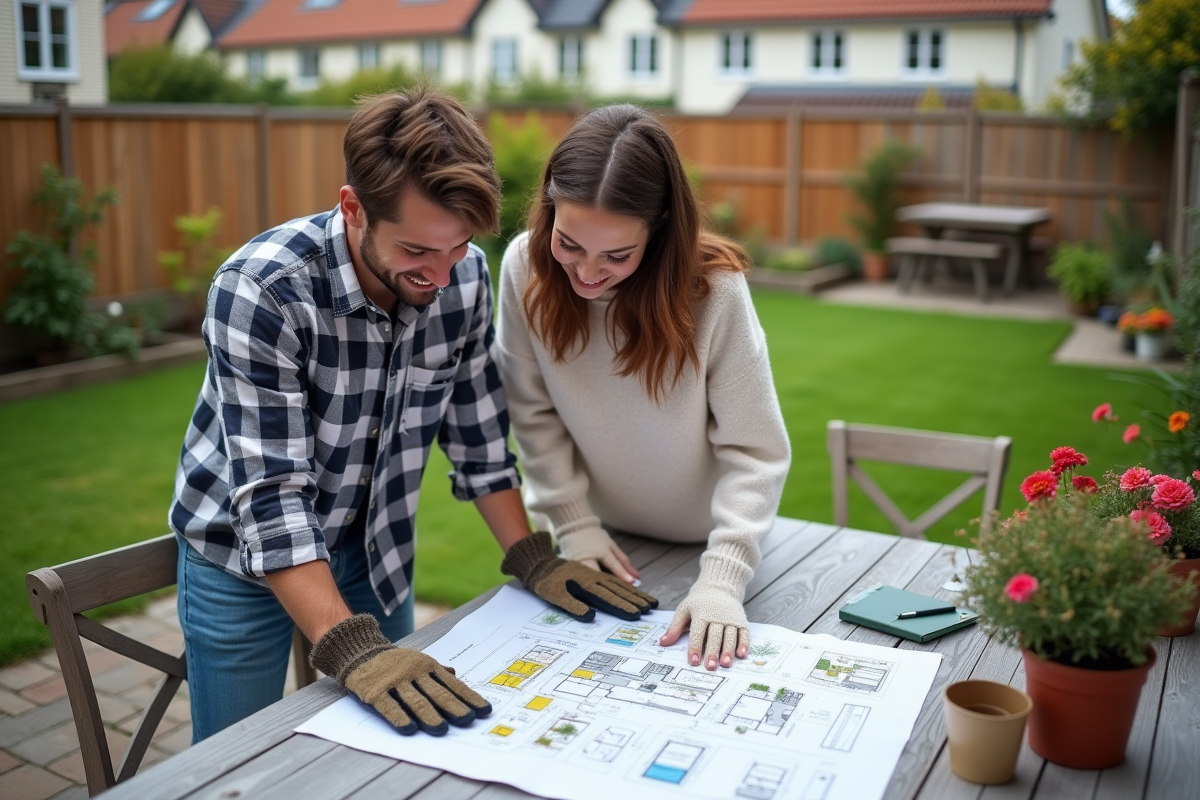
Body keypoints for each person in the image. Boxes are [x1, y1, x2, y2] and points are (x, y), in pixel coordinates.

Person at [169, 87, 655, 743]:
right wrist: (349, 647)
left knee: (390, 754)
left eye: (457, 247)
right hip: (242, 561)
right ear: (353, 208)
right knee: (235, 766)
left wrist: (533, 557)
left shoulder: (462, 280)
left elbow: (480, 439)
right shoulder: (262, 290)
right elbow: (272, 495)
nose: (442, 273)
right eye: (418, 251)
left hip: (377, 554)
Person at [494, 104, 791, 674]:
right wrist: (573, 525)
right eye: (570, 243)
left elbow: (755, 450)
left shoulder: (716, 292)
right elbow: (533, 414)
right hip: (602, 539)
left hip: (712, 542)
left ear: (658, 233)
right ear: (550, 209)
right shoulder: (522, 270)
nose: (585, 273)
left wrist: (724, 579)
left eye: (617, 255)